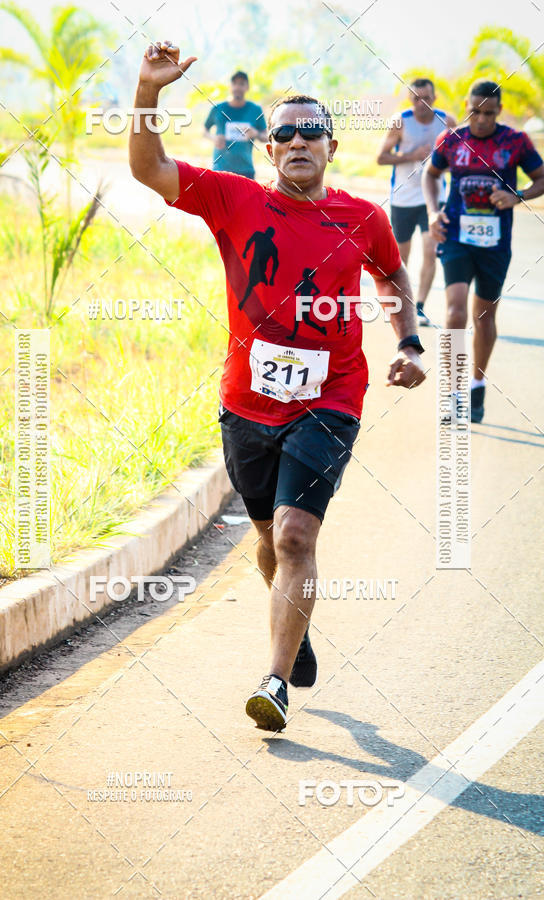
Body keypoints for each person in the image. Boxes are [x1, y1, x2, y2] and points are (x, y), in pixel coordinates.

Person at [129, 40, 426, 732]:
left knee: (295, 537)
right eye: (283, 132)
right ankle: (296, 628)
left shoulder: (363, 219)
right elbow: (150, 168)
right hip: (246, 404)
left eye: (310, 131)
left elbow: (393, 276)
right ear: (267, 150)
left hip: (330, 397)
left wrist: (409, 341)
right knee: (266, 536)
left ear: (330, 146)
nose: (296, 140)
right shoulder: (233, 199)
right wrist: (148, 91)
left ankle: (274, 681)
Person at [423, 79, 544, 423]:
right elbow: (430, 176)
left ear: (499, 111)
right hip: (456, 236)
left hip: (495, 243)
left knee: (484, 316)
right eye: (475, 112)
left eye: (488, 114)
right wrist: (433, 212)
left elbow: (541, 178)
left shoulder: (515, 141)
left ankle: (477, 383)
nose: (481, 120)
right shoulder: (451, 139)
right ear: (466, 106)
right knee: (455, 310)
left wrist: (517, 195)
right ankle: (453, 391)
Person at [378, 78, 456, 326]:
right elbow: (381, 157)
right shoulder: (401, 121)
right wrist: (411, 155)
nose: (422, 104)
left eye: (427, 98)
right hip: (403, 198)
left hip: (433, 197)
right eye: (416, 99)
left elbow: (459, 156)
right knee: (401, 258)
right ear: (410, 100)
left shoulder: (447, 121)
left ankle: (419, 307)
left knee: (430, 252)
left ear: (434, 98)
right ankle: (401, 302)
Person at [203, 70, 267, 179]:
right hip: (220, 170)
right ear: (230, 86)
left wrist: (255, 133)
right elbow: (204, 130)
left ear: (247, 87)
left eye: (241, 84)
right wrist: (213, 138)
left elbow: (266, 137)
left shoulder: (255, 110)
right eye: (235, 83)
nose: (237, 87)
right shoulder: (218, 108)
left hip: (246, 171)